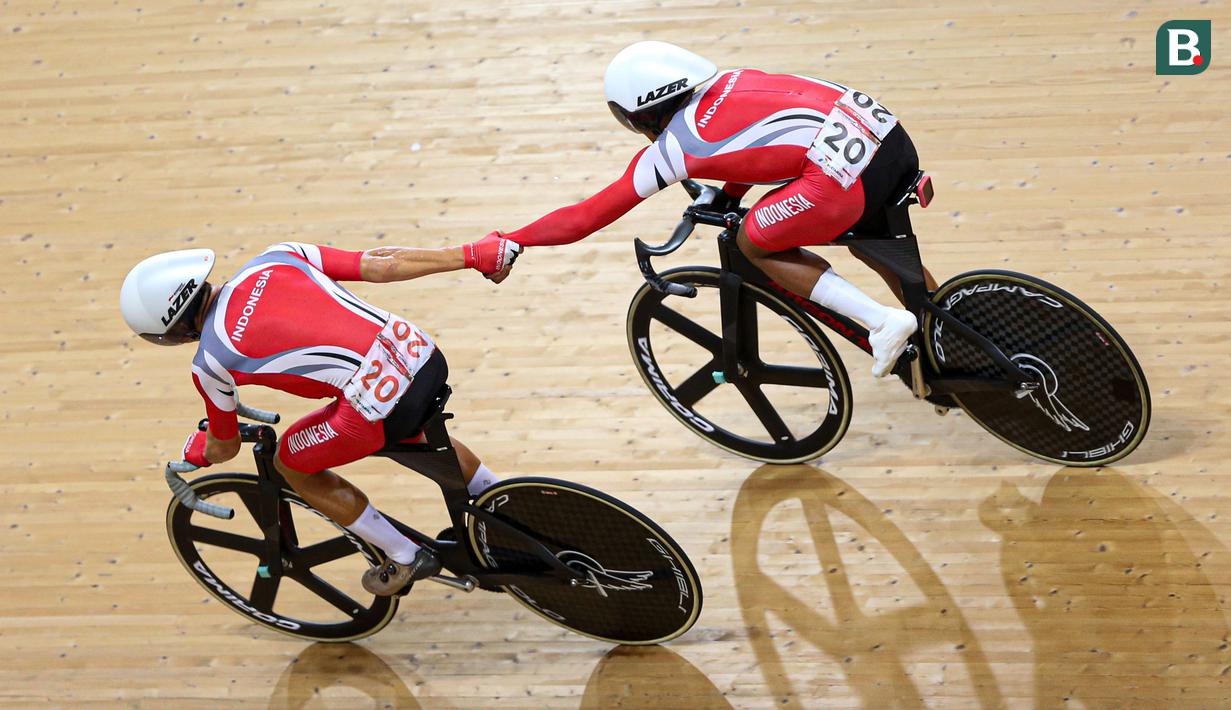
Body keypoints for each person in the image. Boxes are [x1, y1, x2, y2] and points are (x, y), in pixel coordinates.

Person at [484, 40, 939, 378]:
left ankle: (883, 322)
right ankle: (947, 333)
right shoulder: (732, 79)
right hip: (889, 139)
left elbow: (584, 218)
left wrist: (513, 240)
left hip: (841, 178)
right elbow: (762, 143)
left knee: (755, 244)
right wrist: (731, 194)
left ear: (640, 117)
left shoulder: (675, 147)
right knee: (869, 241)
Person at [119, 236, 521, 595]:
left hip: (376, 404)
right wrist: (470, 255)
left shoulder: (208, 362)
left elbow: (223, 447)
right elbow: (380, 265)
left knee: (290, 463)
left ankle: (403, 553)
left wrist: (198, 453)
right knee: (405, 428)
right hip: (421, 353)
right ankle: (509, 502)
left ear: (170, 331)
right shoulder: (277, 255)